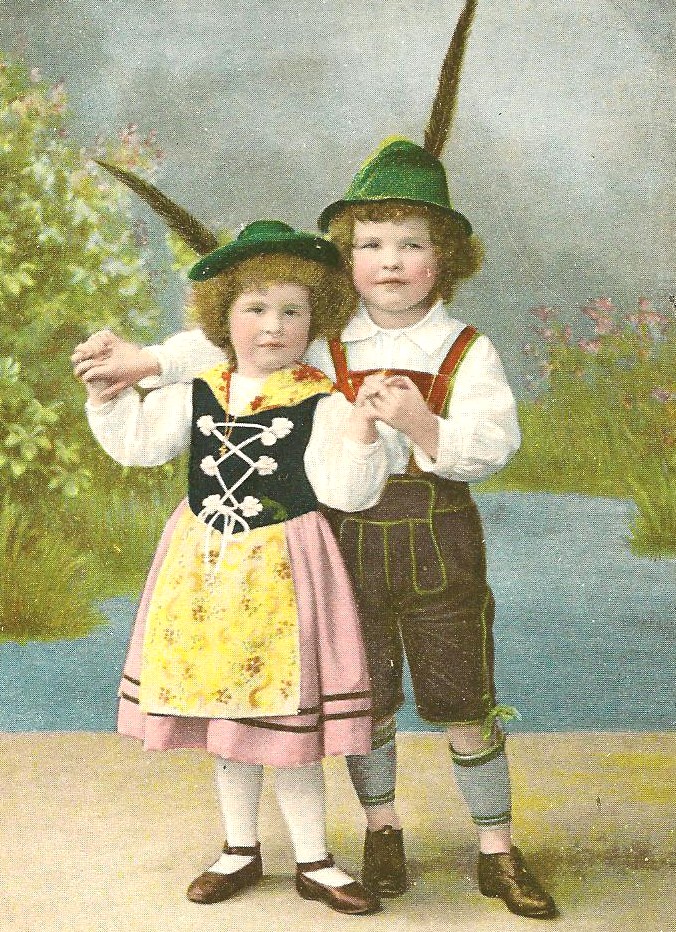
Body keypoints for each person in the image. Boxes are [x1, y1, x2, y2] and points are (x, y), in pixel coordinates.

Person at [74, 142, 557, 921]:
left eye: (412, 246)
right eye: (370, 247)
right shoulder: (324, 335)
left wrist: (422, 423)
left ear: (449, 259)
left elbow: (492, 447)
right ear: (345, 262)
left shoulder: (469, 347)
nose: (390, 264)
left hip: (437, 535)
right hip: (342, 542)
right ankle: (381, 829)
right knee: (362, 697)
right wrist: (141, 364)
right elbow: (229, 339)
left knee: (463, 697)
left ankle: (497, 849)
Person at [81, 219, 391, 915]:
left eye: (292, 311)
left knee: (287, 722)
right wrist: (108, 391)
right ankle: (238, 848)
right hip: (204, 571)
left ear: (318, 318)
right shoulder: (197, 390)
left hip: (286, 568)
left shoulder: (325, 400)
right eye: (254, 309)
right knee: (227, 715)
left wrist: (367, 429)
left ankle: (314, 858)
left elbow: (348, 491)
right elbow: (137, 444)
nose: (273, 327)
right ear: (222, 317)